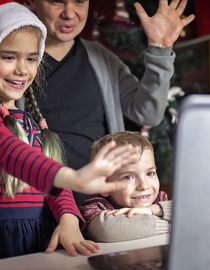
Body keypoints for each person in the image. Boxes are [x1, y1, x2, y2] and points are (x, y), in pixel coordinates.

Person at [0, 0, 139, 268]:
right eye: (8, 57)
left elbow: (51, 181)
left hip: (36, 238)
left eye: (31, 58)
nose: (22, 69)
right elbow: (11, 153)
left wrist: (68, 219)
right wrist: (73, 177)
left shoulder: (31, 121)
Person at [29, 0, 195, 204]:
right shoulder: (13, 62)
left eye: (79, 2)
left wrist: (159, 49)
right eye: (57, 2)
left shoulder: (101, 58)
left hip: (100, 206)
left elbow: (148, 113)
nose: (70, 14)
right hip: (39, 206)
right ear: (32, 3)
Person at [80, 131, 172, 242]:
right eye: (128, 177)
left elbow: (191, 211)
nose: (143, 185)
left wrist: (152, 210)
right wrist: (172, 224)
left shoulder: (158, 200)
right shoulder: (94, 207)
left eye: (150, 173)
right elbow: (107, 230)